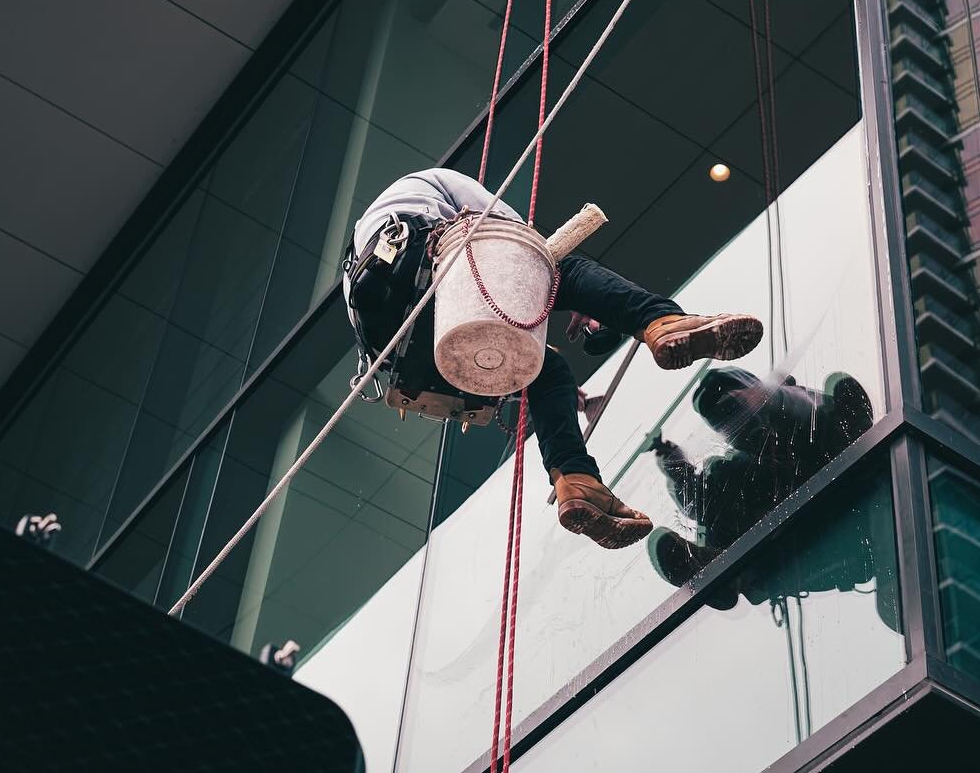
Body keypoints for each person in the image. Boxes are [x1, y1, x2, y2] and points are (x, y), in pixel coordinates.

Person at [344, 168, 765, 550]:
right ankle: (662, 322)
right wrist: (579, 297)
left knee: (549, 372)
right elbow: (516, 242)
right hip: (424, 270)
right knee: (565, 268)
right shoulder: (435, 180)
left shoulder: (361, 261)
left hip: (410, 352)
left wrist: (566, 396)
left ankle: (576, 482)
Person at [646, 366, 893, 629]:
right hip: (808, 543)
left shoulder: (810, 419)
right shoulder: (738, 474)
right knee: (721, 489)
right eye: (727, 419)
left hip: (863, 506)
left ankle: (725, 574)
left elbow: (851, 410)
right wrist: (678, 470)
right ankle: (719, 573)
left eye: (734, 411)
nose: (738, 423)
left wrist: (774, 400)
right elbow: (704, 497)